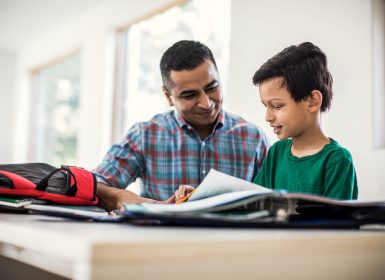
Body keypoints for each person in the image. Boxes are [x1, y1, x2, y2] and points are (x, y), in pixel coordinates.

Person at [94, 40, 269, 211]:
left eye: (212, 88)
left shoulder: (253, 138)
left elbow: (273, 202)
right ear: (168, 96)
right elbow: (94, 183)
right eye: (190, 95)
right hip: (163, 239)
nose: (206, 103)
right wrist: (120, 197)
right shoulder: (145, 135)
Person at [252, 42, 358, 200]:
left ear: (312, 101)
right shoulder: (276, 153)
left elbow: (338, 223)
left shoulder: (337, 160)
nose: (268, 117)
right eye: (266, 106)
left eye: (277, 106)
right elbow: (256, 205)